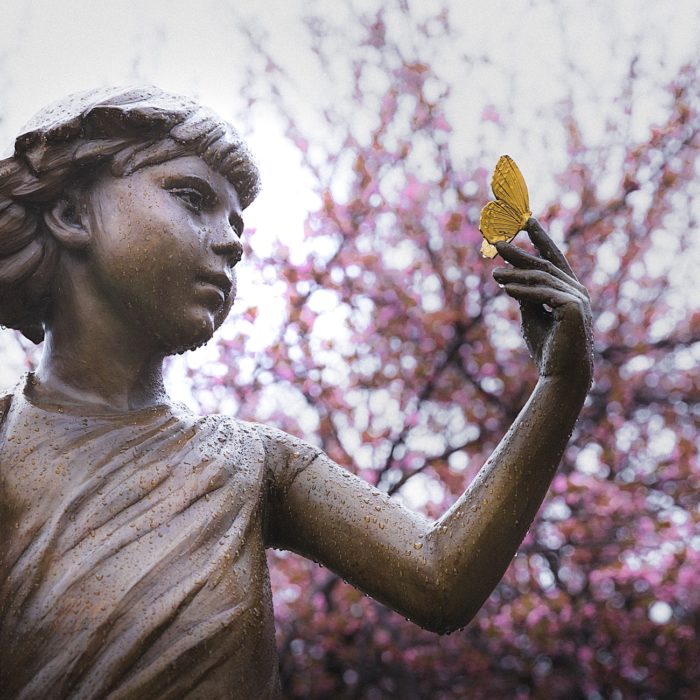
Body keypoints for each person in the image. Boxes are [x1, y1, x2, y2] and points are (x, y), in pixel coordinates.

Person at [0, 86, 593, 699]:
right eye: (191, 198)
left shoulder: (252, 463)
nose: (233, 243)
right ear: (71, 215)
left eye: (237, 223)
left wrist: (560, 386)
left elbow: (439, 577)